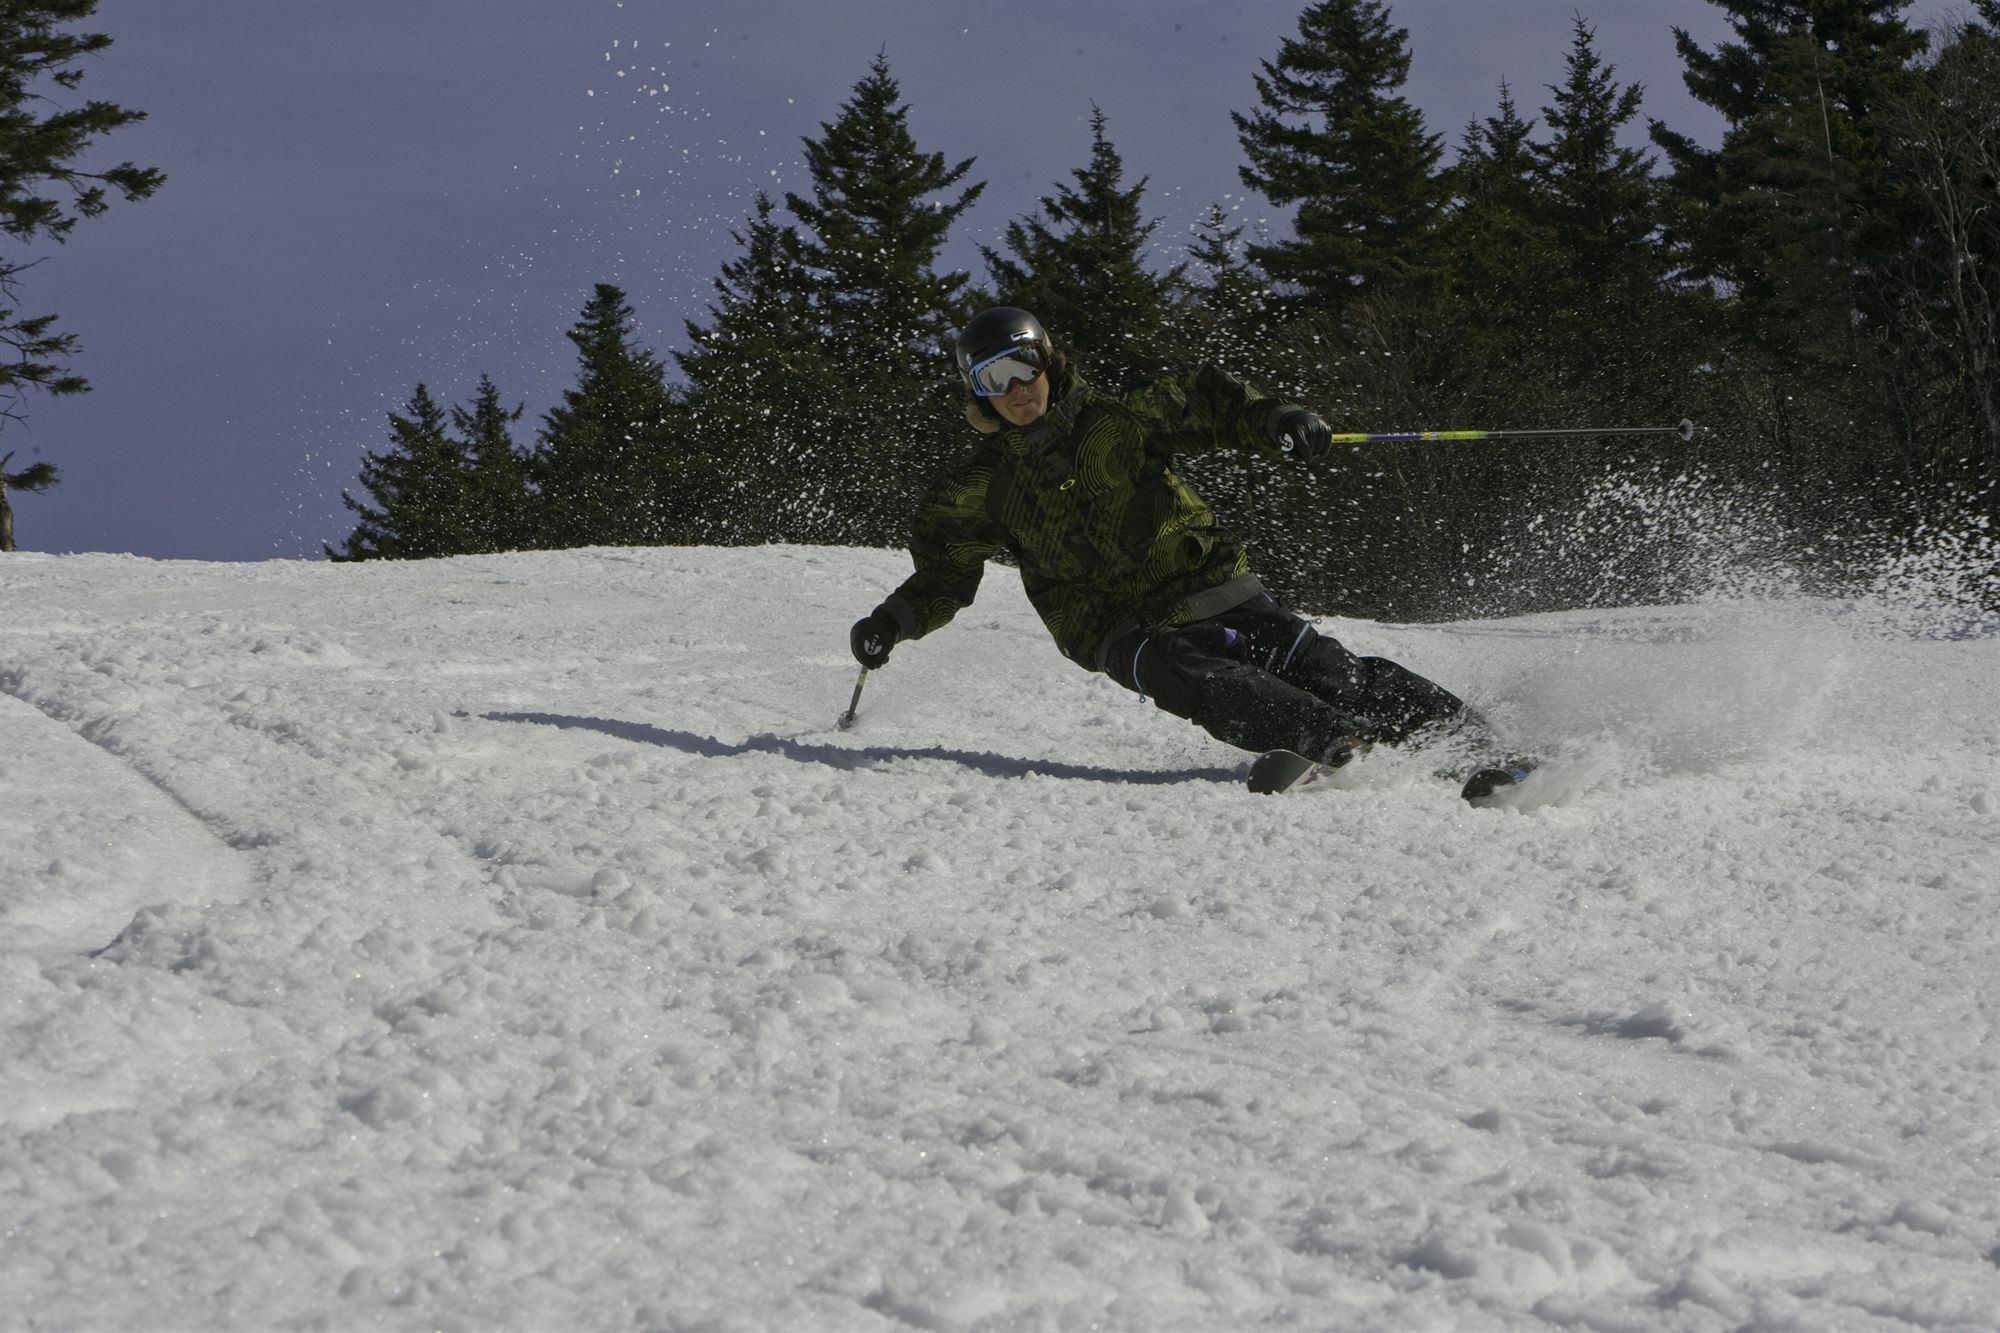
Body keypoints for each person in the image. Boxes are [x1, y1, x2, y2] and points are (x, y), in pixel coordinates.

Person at [848, 306, 1529, 801]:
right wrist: (893, 621)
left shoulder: (1117, 420)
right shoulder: (980, 485)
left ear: (1047, 361)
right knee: (1199, 677)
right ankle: (1333, 743)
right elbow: (945, 570)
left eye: (1023, 367)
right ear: (979, 396)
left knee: (1331, 669)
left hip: (1207, 581)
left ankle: (1483, 752)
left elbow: (1212, 404)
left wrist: (1279, 420)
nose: (1016, 391)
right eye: (994, 381)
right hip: (1116, 626)